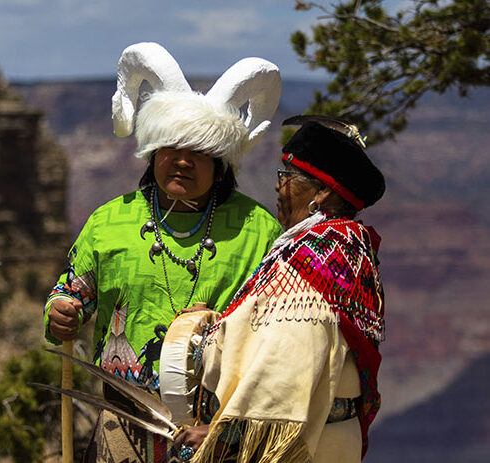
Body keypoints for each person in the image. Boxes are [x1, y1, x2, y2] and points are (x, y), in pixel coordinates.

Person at [42, 42, 283, 463]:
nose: (182, 162)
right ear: (153, 151)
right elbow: (70, 295)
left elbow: (277, 337)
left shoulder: (257, 230)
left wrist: (233, 424)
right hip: (125, 425)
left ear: (221, 162)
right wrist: (61, 311)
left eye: (199, 152)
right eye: (171, 148)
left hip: (219, 436)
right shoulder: (109, 222)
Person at [178, 116, 386, 463]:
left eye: (288, 176)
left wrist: (225, 433)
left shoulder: (312, 257)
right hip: (329, 436)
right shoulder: (350, 245)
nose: (279, 187)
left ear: (323, 192)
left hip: (300, 444)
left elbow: (284, 367)